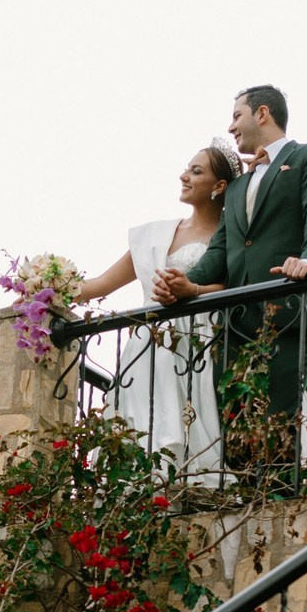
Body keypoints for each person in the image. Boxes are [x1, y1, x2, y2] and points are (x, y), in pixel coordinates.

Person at [151, 85, 307, 474]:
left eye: (237, 115)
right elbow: (220, 251)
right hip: (234, 326)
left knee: (278, 425)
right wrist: (182, 283)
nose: (231, 126)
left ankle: (282, 503)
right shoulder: (236, 187)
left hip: (289, 311)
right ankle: (246, 505)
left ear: (262, 113)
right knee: (235, 432)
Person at [72, 145, 236, 479]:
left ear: (219, 186)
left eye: (196, 171)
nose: (184, 176)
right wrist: (49, 286)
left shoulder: (230, 236)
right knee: (141, 422)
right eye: (187, 168)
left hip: (196, 341)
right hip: (146, 345)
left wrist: (193, 291)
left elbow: (231, 288)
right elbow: (101, 284)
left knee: (183, 421)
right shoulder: (155, 235)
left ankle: (182, 483)